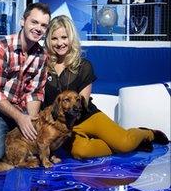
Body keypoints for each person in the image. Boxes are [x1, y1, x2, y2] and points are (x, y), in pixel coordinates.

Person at [43, 15, 169, 159]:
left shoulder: (84, 66)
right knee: (80, 152)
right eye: (54, 38)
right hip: (62, 126)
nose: (60, 43)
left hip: (87, 117)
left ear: (71, 38)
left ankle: (147, 133)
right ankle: (122, 144)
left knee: (125, 144)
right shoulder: (43, 67)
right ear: (49, 40)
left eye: (64, 37)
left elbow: (81, 104)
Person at [0, 2, 51, 162]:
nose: (38, 28)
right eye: (34, 22)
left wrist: (29, 122)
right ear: (22, 21)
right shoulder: (0, 49)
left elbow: (35, 92)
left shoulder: (42, 56)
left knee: (29, 148)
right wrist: (20, 118)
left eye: (43, 25)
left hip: (18, 108)